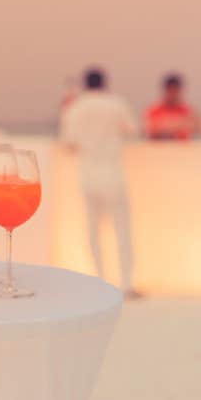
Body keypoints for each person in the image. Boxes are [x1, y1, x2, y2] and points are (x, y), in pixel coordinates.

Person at [60, 68, 140, 298]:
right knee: (122, 229)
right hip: (113, 173)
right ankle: (126, 283)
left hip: (88, 175)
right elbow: (133, 130)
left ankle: (100, 281)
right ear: (105, 83)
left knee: (93, 230)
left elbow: (69, 144)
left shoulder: (74, 108)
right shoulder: (115, 104)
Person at [144, 73, 200, 140]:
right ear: (166, 91)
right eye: (170, 91)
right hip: (159, 148)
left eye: (175, 91)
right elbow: (149, 128)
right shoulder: (154, 111)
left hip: (182, 149)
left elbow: (198, 127)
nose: (173, 95)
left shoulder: (187, 111)